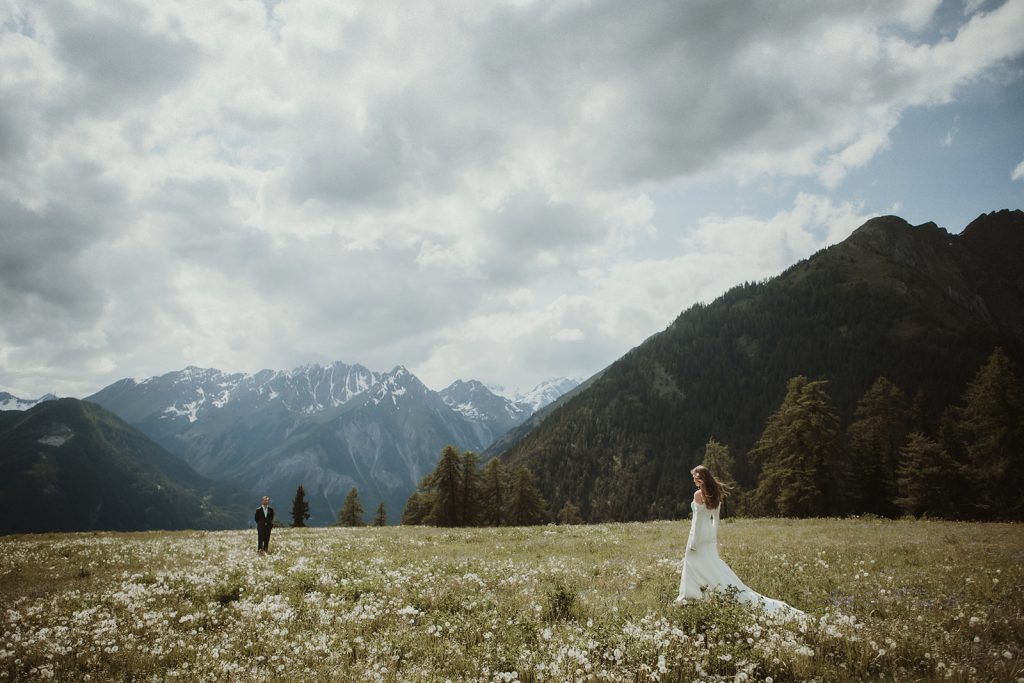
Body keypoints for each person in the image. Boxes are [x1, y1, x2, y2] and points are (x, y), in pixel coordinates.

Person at [676, 465, 803, 618]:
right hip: (708, 535)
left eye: (695, 478)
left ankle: (688, 596)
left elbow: (696, 521)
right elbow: (716, 519)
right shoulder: (714, 492)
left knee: (691, 563)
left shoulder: (698, 494)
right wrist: (712, 538)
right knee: (711, 565)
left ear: (700, 479)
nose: (693, 481)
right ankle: (706, 593)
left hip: (698, 535)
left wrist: (694, 541)